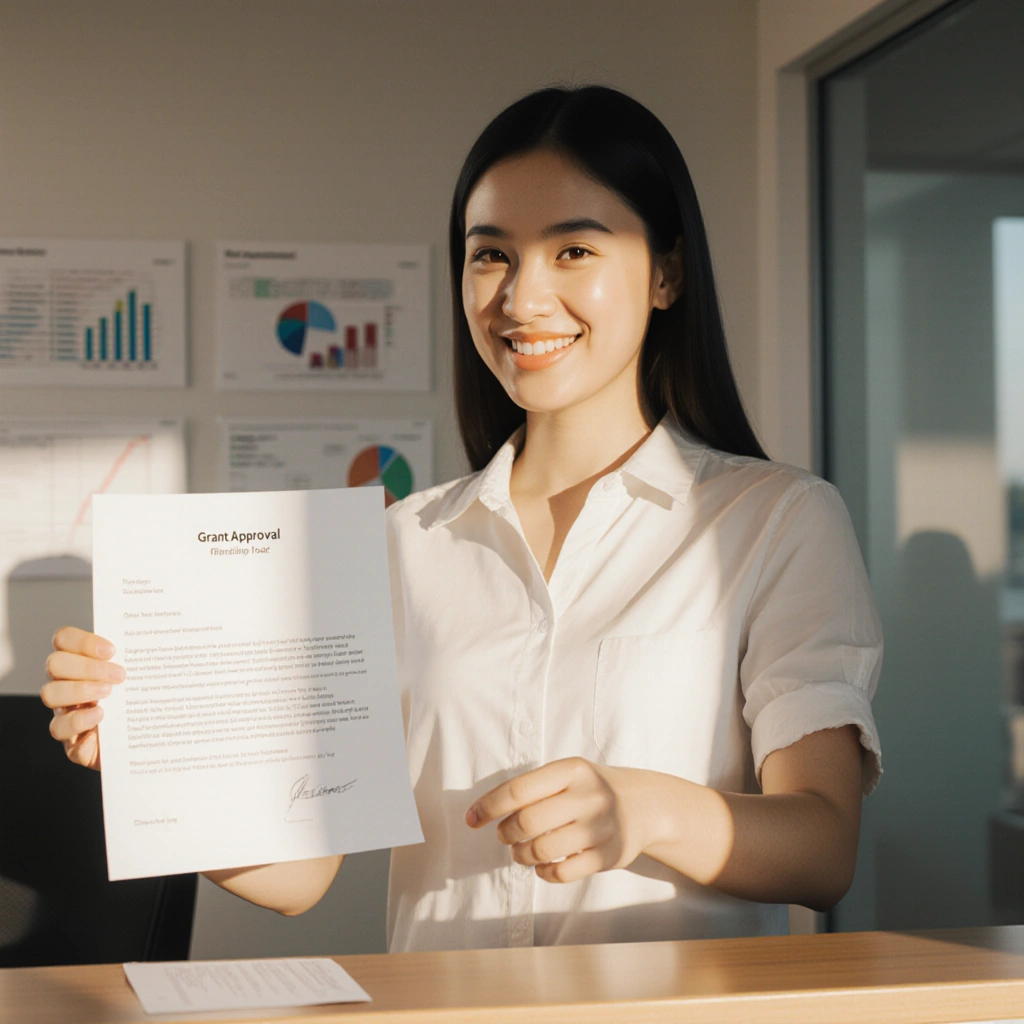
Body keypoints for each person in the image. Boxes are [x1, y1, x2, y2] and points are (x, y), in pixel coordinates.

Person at [41, 85, 882, 953]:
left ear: (667, 273)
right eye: (491, 256)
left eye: (574, 250)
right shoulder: (403, 542)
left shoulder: (777, 522)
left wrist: (647, 810)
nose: (521, 297)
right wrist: (143, 756)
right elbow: (300, 876)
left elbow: (823, 847)